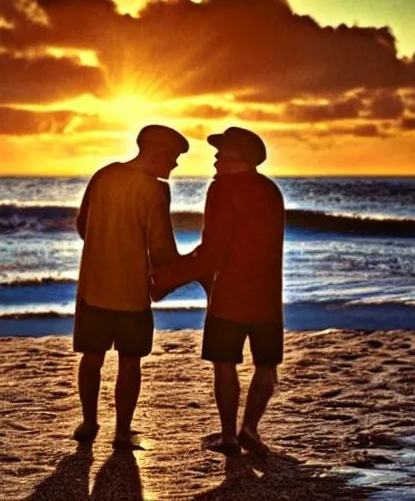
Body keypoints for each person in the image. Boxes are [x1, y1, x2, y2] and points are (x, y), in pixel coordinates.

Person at [152, 127, 285, 455]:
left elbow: (212, 254)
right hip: (267, 297)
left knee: (225, 364)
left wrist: (165, 279)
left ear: (235, 159)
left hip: (229, 297)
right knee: (266, 366)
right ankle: (250, 430)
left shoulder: (222, 190)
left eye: (220, 153)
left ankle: (229, 436)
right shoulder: (271, 191)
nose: (214, 159)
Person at [73, 124, 189, 447]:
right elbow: (162, 249)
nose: (175, 165)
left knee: (92, 358)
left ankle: (89, 421)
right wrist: (185, 268)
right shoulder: (154, 190)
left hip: (93, 288)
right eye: (174, 157)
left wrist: (104, 246)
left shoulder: (103, 176)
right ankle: (122, 432)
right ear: (158, 154)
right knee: (129, 362)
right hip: (132, 295)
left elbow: (83, 224)